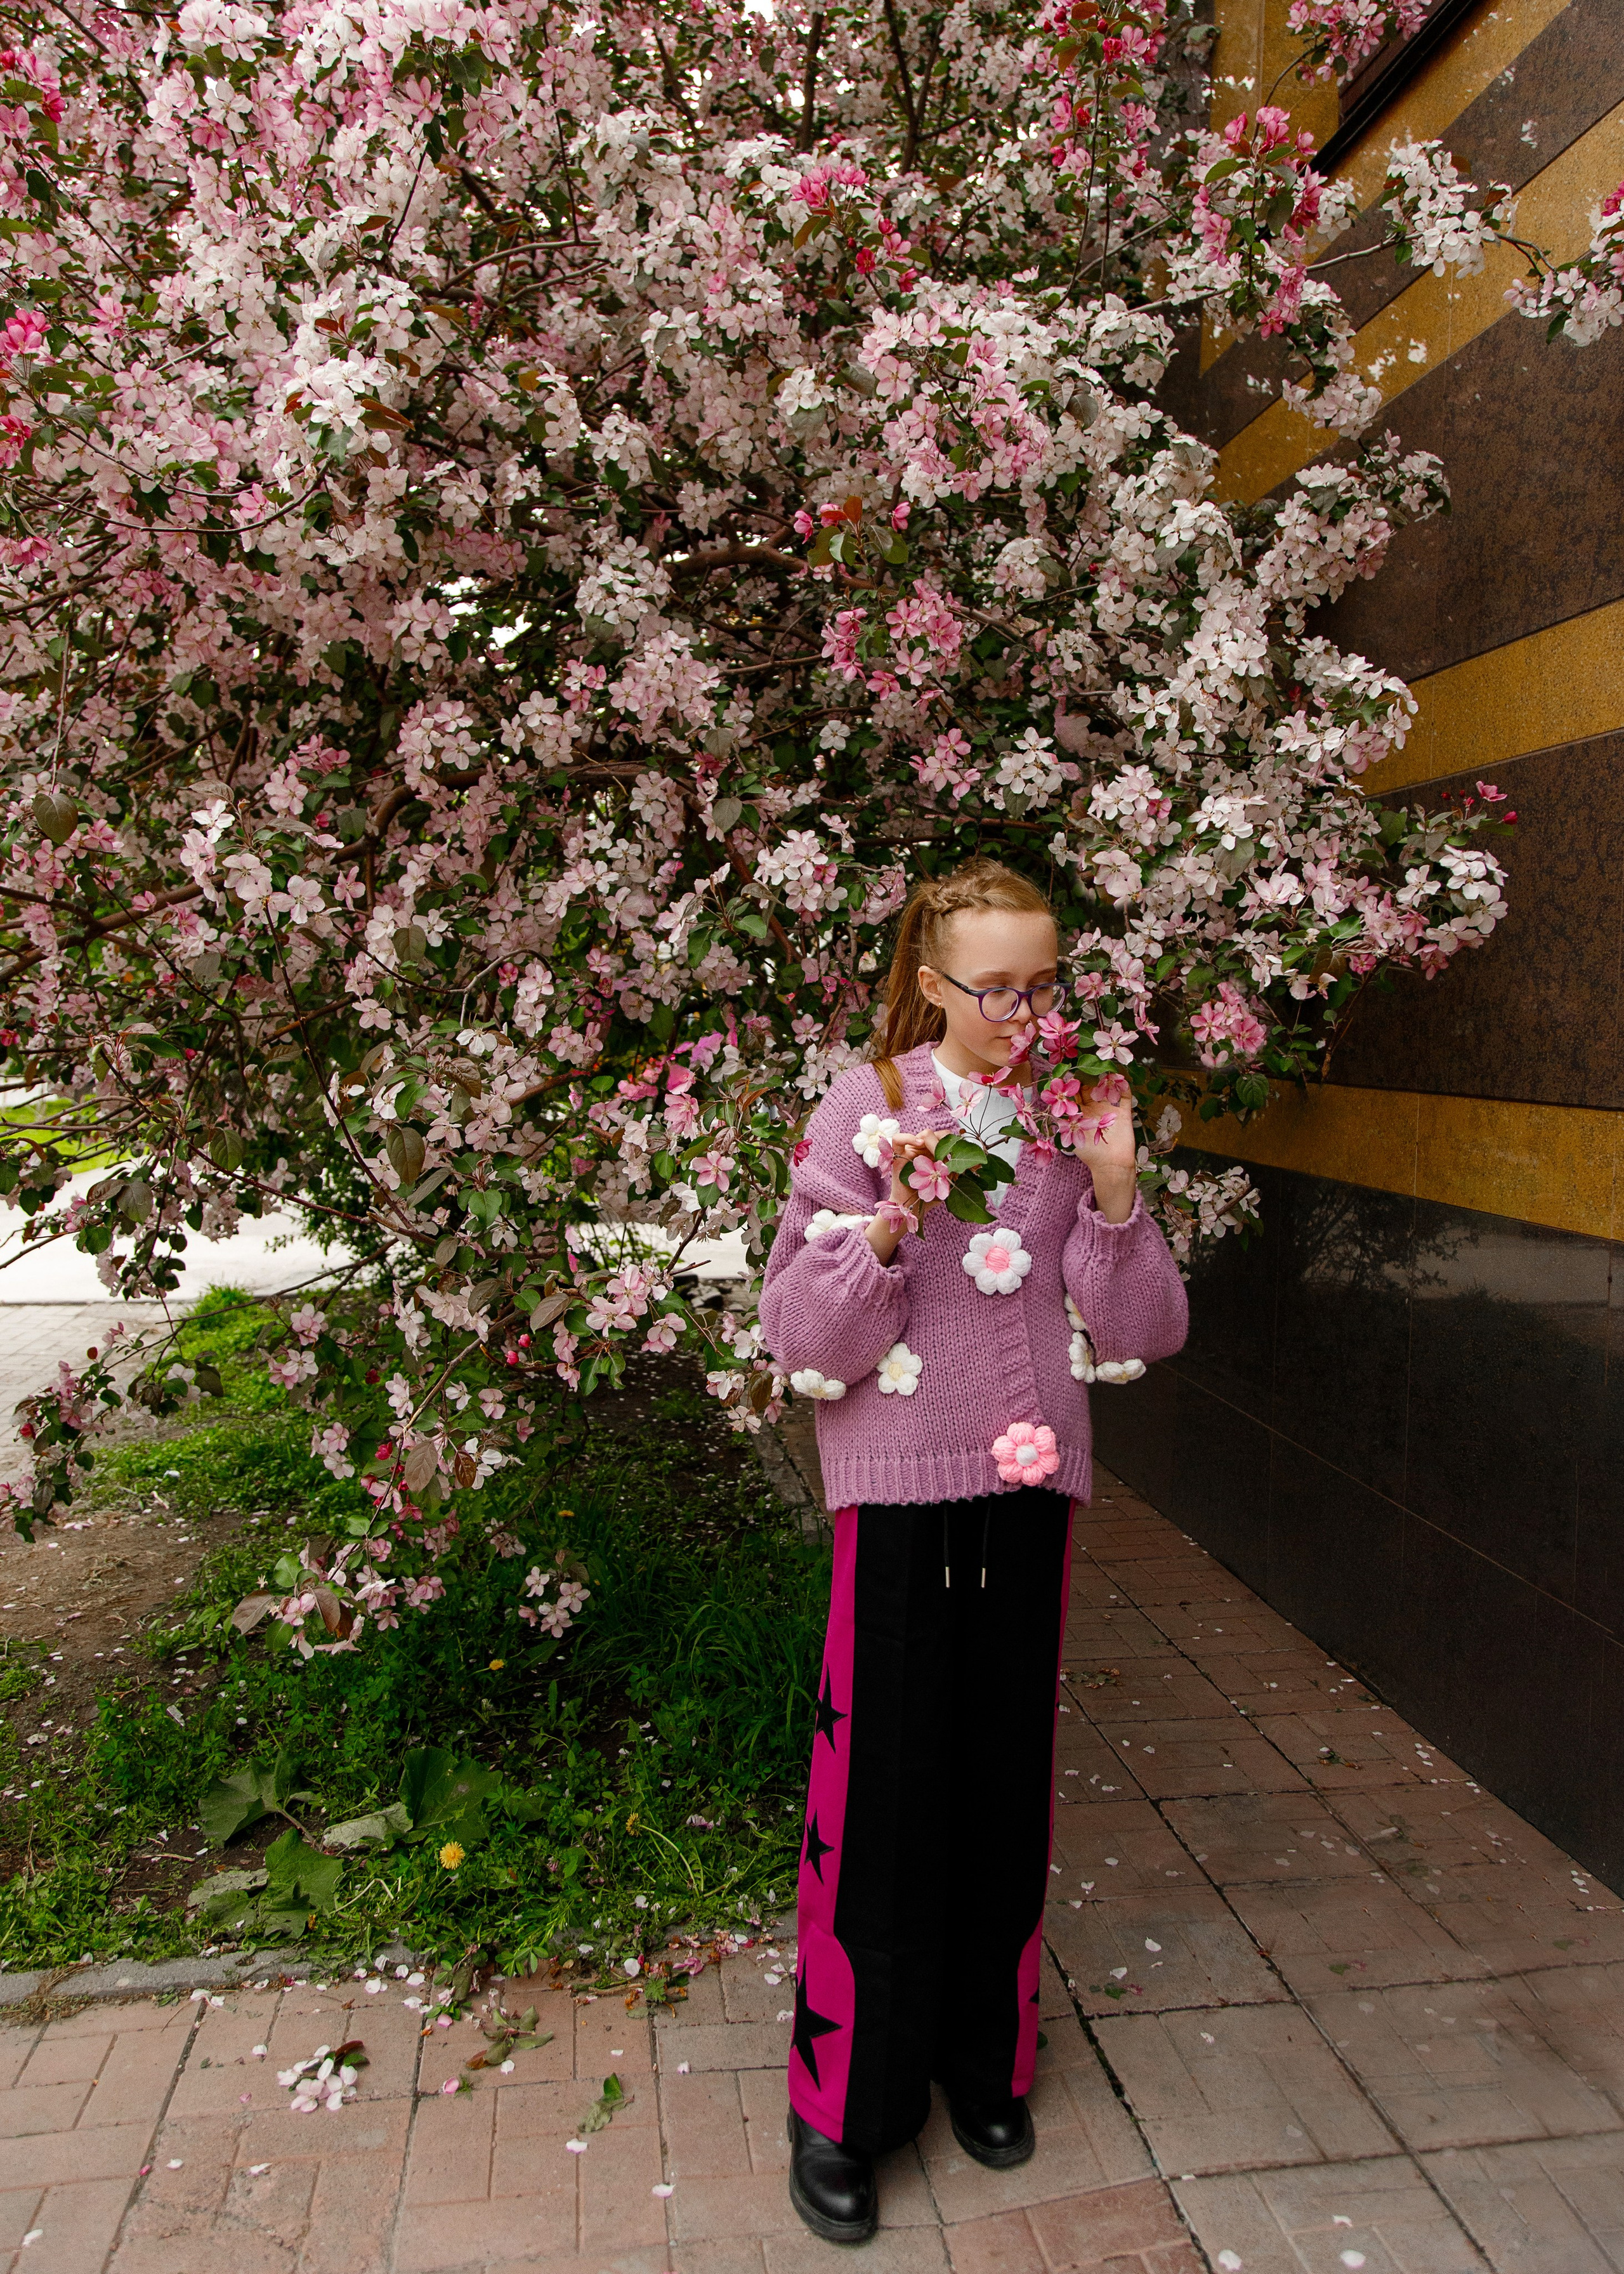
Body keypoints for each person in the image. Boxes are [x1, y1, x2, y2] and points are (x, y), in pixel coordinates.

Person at [759, 856, 1188, 2244]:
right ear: (928, 980)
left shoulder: (1071, 1119)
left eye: (1041, 982)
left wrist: (1115, 1197)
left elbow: (1135, 1333)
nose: (1019, 1011)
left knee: (1003, 1780)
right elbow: (804, 1336)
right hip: (895, 1493)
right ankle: (844, 2102)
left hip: (1025, 1490)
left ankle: (979, 2060)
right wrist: (886, 1226)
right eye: (990, 986)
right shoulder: (866, 1107)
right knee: (881, 1793)